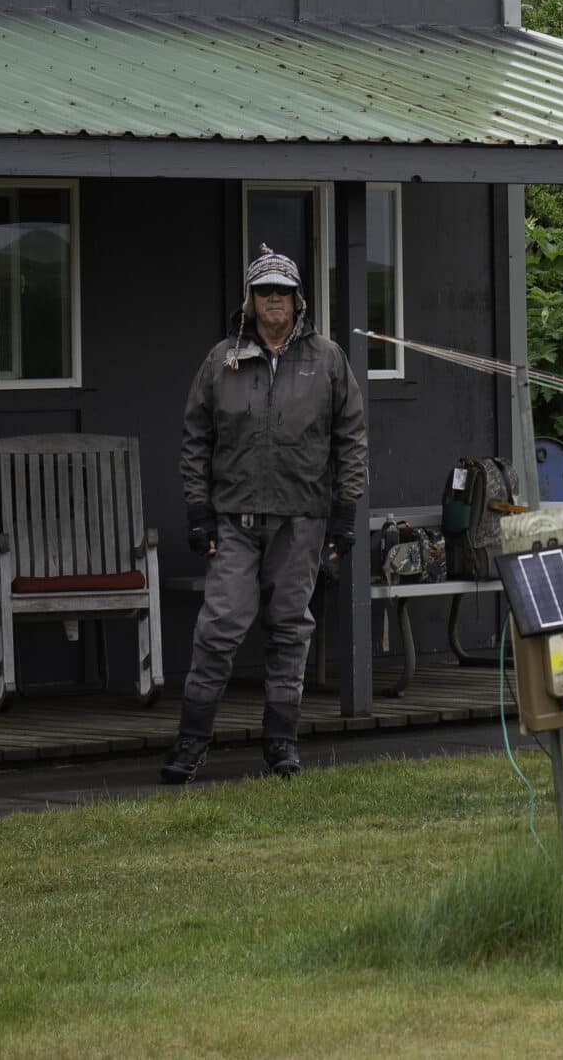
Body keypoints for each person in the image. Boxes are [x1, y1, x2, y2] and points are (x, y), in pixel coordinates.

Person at [159, 246, 368, 784]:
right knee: (219, 628)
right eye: (264, 291)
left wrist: (345, 511)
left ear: (299, 300)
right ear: (249, 302)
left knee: (290, 631)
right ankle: (190, 744)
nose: (274, 300)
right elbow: (194, 440)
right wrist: (198, 510)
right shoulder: (220, 360)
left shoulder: (328, 360)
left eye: (283, 291)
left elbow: (351, 439)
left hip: (303, 520)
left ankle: (282, 744)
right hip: (234, 520)